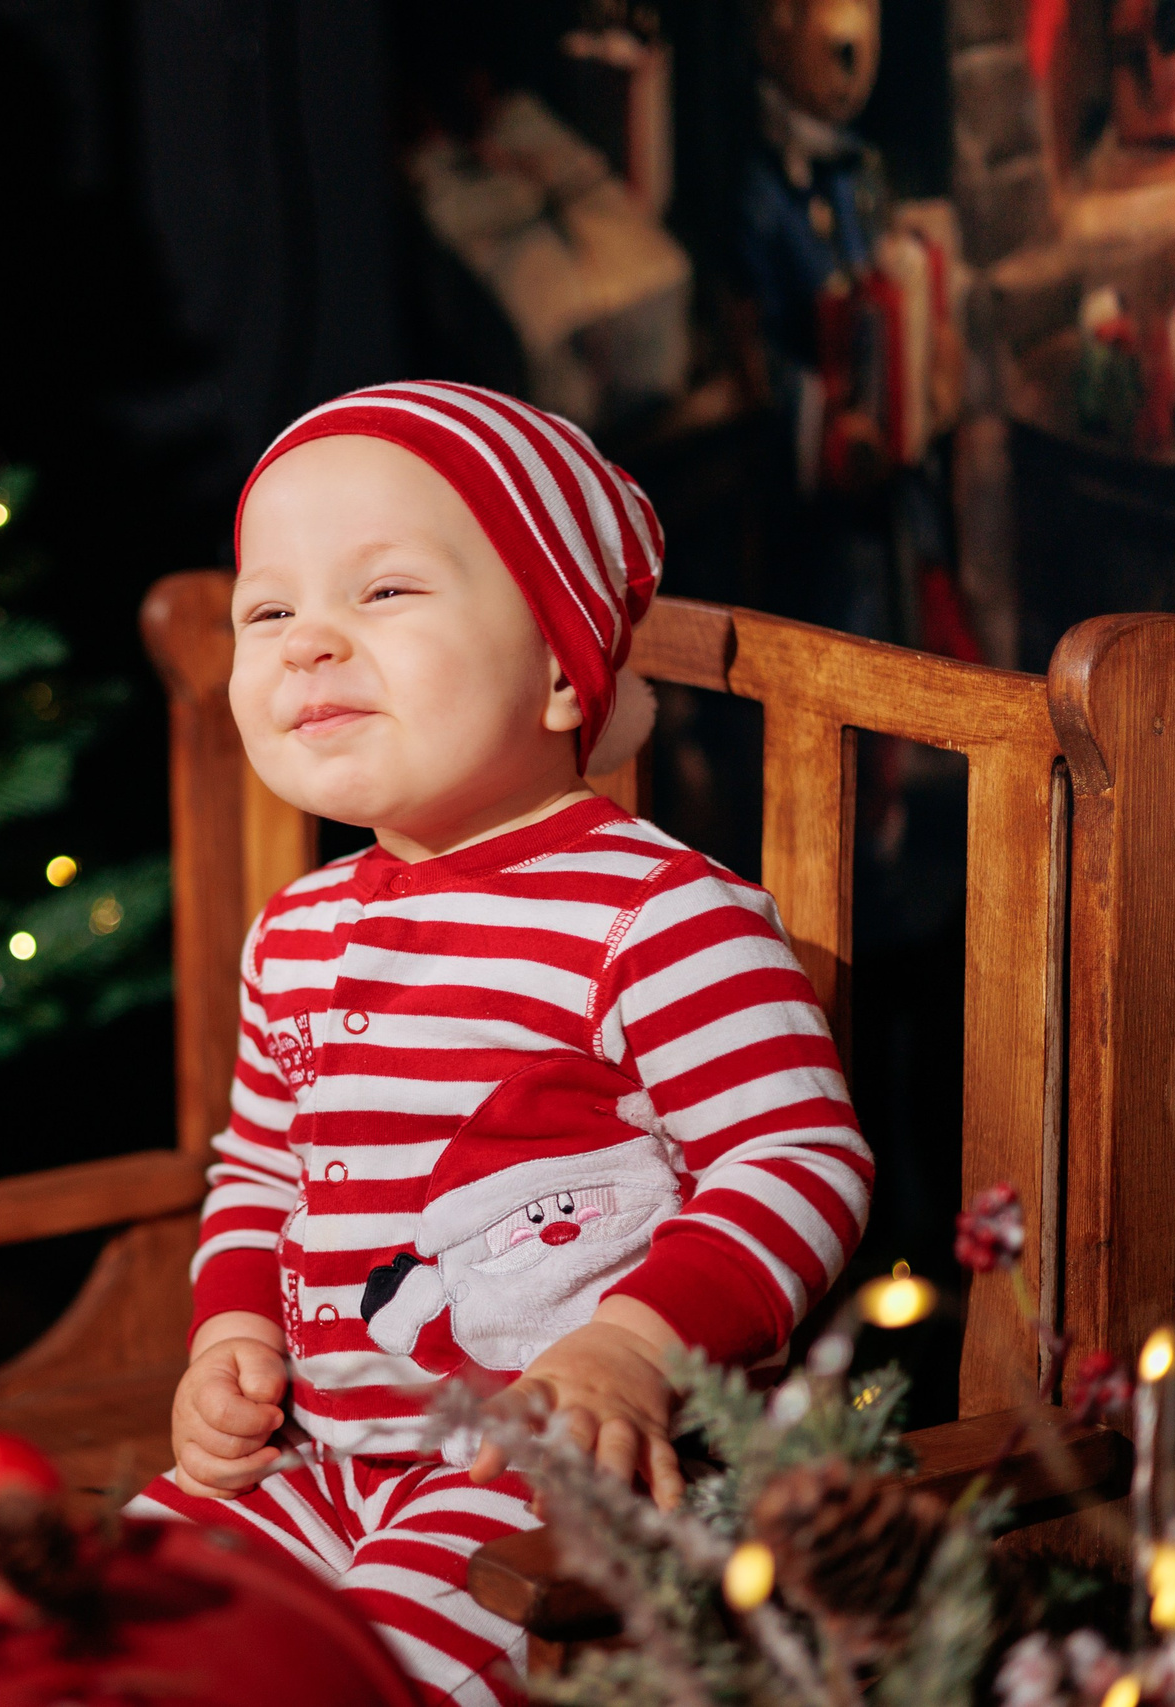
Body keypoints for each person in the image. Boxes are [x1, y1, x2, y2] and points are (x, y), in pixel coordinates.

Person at [123, 381, 871, 1705]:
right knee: (105, 1630)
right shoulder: (295, 929)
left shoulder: (652, 916)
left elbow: (796, 1159)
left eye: (385, 594)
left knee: (353, 1679)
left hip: (558, 1476)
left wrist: (636, 1347)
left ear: (557, 667)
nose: (307, 644)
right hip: (318, 1458)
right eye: (271, 609)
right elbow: (257, 1174)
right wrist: (228, 1337)